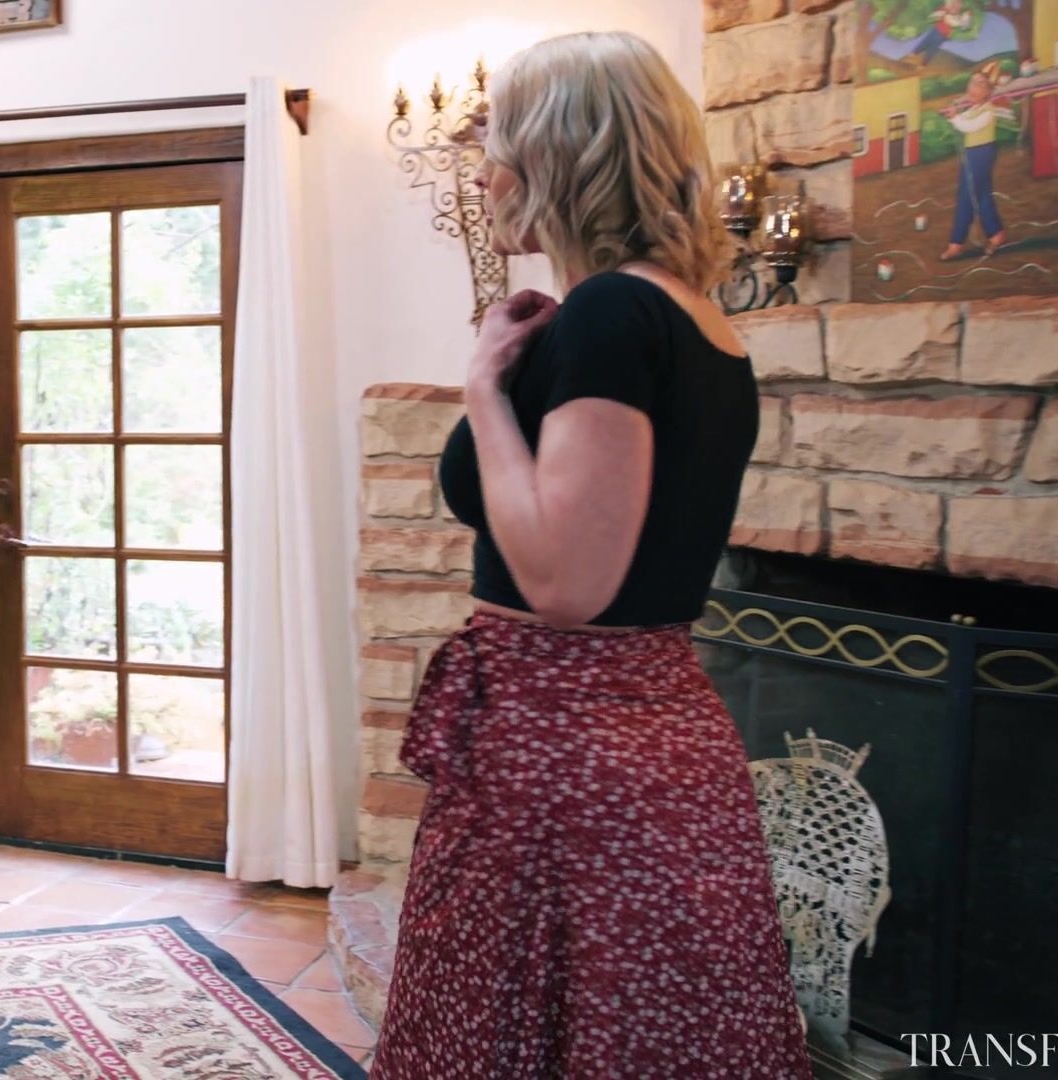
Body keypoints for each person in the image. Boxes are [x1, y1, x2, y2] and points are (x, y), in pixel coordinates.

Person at [369, 31, 811, 1079]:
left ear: (559, 157)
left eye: (497, 148)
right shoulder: (691, 317)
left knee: (518, 1037)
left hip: (569, 754)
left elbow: (566, 584)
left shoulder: (614, 310)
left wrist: (484, 386)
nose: (484, 175)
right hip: (641, 736)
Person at [943, 66, 1012, 260]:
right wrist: (954, 114)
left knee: (967, 196)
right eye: (971, 83)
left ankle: (956, 243)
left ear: (988, 91)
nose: (972, 88)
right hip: (972, 154)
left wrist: (955, 118)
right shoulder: (974, 109)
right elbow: (963, 119)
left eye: (979, 84)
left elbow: (969, 126)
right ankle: (996, 234)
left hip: (982, 154)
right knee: (981, 196)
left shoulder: (988, 112)